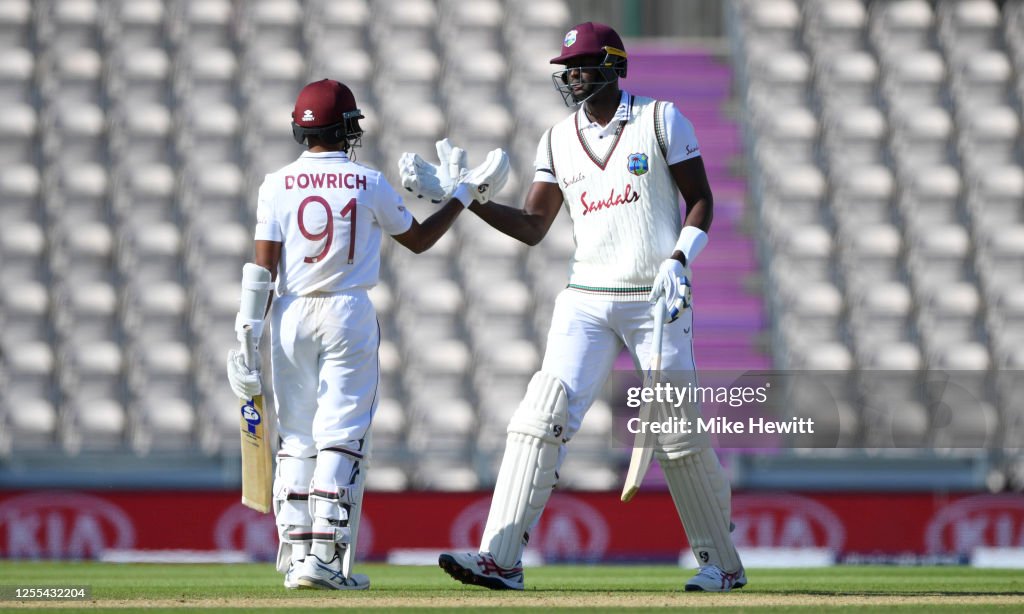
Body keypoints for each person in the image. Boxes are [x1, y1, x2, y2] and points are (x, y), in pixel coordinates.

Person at [428, 22, 746, 592]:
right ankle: (501, 559)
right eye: (567, 68)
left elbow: (701, 200)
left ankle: (720, 564)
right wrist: (467, 199)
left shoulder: (660, 118)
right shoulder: (556, 138)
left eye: (581, 67)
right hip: (587, 299)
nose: (571, 77)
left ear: (611, 67)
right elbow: (531, 227)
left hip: (656, 296)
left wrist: (680, 259)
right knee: (539, 415)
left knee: (674, 428)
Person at [225, 79, 480, 590]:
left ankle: (298, 557)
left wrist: (247, 335)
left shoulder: (275, 184)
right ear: (345, 127)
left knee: (296, 438)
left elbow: (262, 270)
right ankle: (322, 558)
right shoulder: (367, 181)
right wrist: (462, 197)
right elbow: (420, 241)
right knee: (340, 436)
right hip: (348, 312)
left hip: (289, 313)